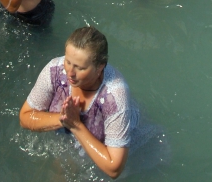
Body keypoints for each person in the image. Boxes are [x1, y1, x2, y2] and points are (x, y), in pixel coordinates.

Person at [20, 26, 142, 178]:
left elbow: (114, 169)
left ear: (100, 67)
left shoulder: (114, 97)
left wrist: (76, 125)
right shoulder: (54, 70)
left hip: (124, 143)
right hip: (71, 134)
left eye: (80, 68)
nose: (70, 72)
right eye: (68, 61)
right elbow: (25, 117)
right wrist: (61, 118)